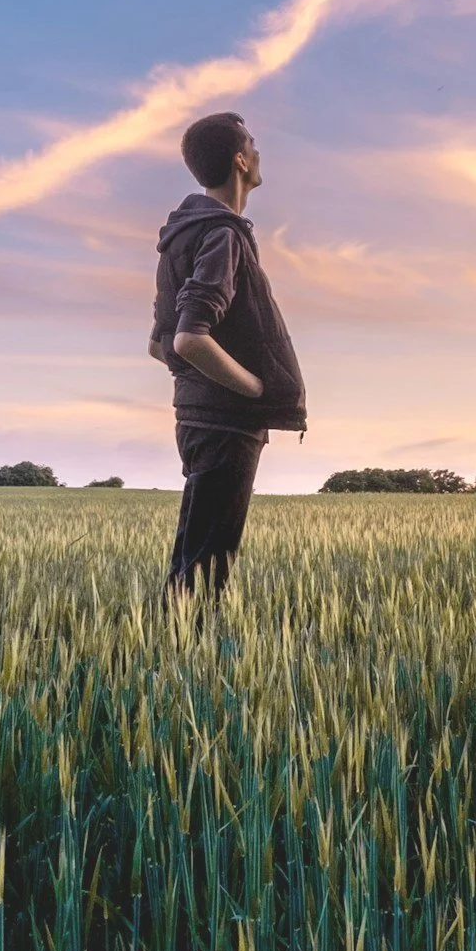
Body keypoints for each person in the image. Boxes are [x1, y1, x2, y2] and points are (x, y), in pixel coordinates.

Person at [149, 112, 307, 595]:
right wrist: (256, 389)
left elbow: (158, 343)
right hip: (224, 422)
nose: (259, 153)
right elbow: (187, 339)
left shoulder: (182, 235)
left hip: (197, 418)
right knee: (207, 570)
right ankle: (183, 663)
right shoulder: (222, 234)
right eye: (253, 145)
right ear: (240, 160)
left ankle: (170, 655)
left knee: (194, 560)